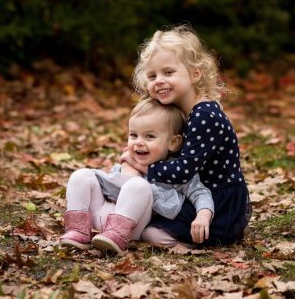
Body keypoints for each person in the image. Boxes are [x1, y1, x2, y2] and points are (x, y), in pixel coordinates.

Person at [121, 25, 251, 248]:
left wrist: (144, 167)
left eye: (168, 72)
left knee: (149, 231)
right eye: (152, 76)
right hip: (193, 192)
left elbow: (183, 170)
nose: (159, 80)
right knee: (138, 211)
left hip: (216, 200)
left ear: (195, 74)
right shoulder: (182, 111)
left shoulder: (204, 116)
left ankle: (192, 241)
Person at [59, 97, 215, 253]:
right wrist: (122, 173)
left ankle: (116, 236)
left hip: (131, 228)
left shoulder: (176, 172)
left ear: (173, 142)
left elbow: (200, 192)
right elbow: (108, 188)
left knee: (138, 185)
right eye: (133, 135)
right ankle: (78, 230)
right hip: (100, 217)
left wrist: (203, 215)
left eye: (149, 136)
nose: (139, 142)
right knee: (81, 175)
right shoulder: (127, 161)